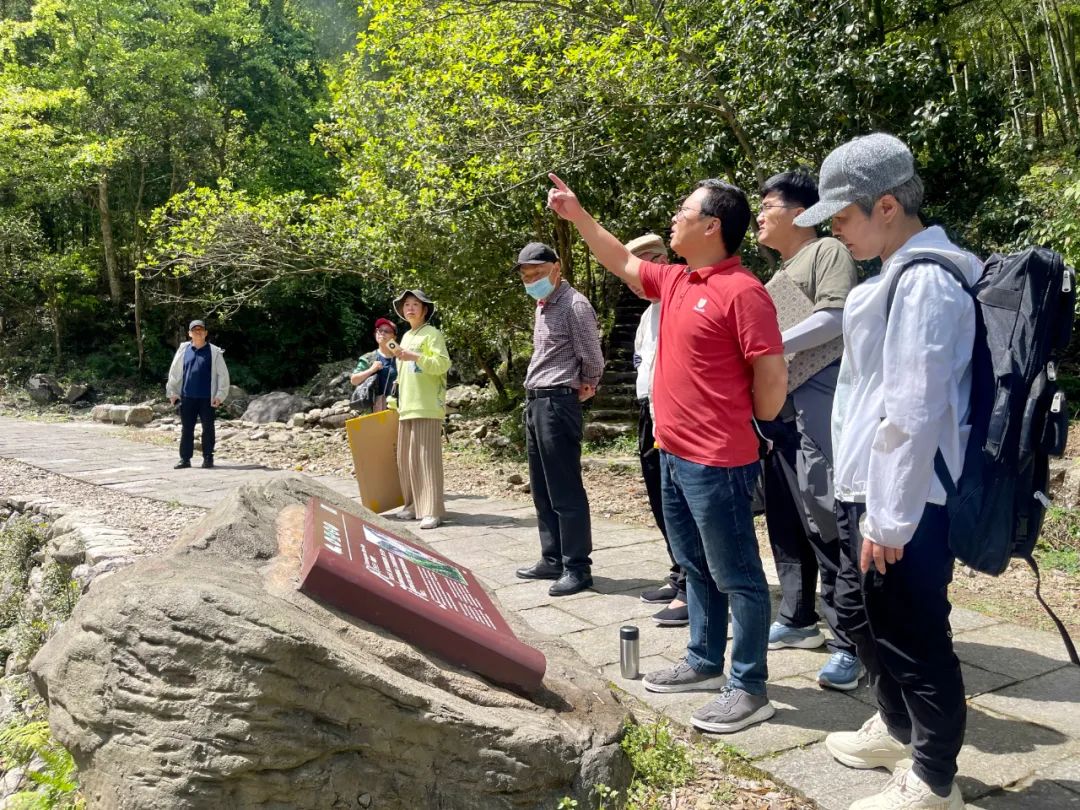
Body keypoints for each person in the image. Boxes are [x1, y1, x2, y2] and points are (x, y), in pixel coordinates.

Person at [547, 174, 787, 734]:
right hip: (673, 455)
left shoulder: (744, 291)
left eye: (684, 211)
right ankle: (704, 661)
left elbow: (771, 376)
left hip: (719, 462)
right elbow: (618, 260)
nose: (674, 219)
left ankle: (749, 686)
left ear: (712, 225)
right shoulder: (677, 281)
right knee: (695, 567)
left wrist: (746, 425)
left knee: (740, 576)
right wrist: (578, 215)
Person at [796, 133, 978, 810]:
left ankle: (934, 781)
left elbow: (913, 407)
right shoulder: (897, 272)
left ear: (889, 205)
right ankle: (898, 729)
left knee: (914, 635)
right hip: (869, 491)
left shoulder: (928, 278)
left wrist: (890, 518)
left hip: (909, 500)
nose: (835, 234)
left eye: (841, 218)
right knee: (864, 619)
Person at [755, 169, 864, 691]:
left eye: (768, 204)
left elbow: (836, 318)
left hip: (819, 405)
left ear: (800, 212)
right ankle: (802, 620)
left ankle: (851, 642)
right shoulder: (782, 267)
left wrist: (768, 345)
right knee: (792, 522)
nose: (760, 215)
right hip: (783, 414)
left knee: (832, 523)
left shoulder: (826, 252)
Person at [513, 241, 605, 597]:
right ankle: (552, 558)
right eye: (525, 274)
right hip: (535, 402)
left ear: (556, 268)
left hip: (557, 402)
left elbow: (592, 358)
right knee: (541, 487)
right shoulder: (542, 305)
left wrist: (588, 384)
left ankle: (577, 567)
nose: (531, 279)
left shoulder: (575, 305)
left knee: (565, 488)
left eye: (537, 272)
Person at [627, 233, 687, 627]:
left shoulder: (682, 298)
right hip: (650, 410)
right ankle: (678, 570)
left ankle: (692, 587)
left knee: (682, 502)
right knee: (660, 497)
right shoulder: (648, 314)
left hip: (679, 412)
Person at [389, 290, 451, 530]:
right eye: (406, 305)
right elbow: (404, 372)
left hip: (427, 405)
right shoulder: (404, 336)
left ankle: (432, 510)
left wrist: (415, 356)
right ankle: (413, 505)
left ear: (424, 310)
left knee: (427, 460)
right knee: (407, 459)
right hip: (407, 406)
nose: (410, 308)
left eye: (415, 304)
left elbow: (443, 364)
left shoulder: (432, 334)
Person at [166, 319, 230, 470]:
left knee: (208, 428)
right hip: (187, 396)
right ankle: (185, 459)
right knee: (186, 428)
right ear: (189, 333)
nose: (198, 332)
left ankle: (208, 458)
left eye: (201, 329)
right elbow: (174, 373)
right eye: (195, 330)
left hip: (208, 398)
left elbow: (223, 375)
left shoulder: (214, 352)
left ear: (206, 333)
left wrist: (220, 395)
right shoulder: (183, 350)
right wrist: (173, 392)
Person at [351, 317, 399, 413]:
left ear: (394, 337)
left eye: (387, 331)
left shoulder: (401, 358)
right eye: (379, 330)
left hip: (398, 409)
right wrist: (371, 370)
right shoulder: (369, 358)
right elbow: (354, 380)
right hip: (374, 410)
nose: (382, 333)